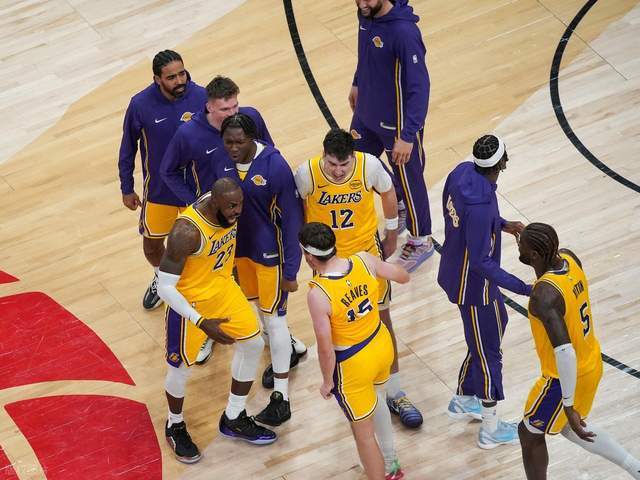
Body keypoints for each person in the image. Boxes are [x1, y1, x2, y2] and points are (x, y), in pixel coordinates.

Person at [295, 128, 423, 429]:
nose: (338, 171)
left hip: (366, 255)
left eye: (344, 164)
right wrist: (303, 246)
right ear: (323, 155)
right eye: (332, 164)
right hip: (327, 261)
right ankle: (350, 381)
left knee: (382, 317)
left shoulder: (369, 165)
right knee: (335, 326)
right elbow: (298, 209)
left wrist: (391, 232)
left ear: (353, 156)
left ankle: (395, 392)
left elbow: (388, 192)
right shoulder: (307, 173)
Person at [157, 178, 276, 464]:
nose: (238, 211)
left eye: (240, 204)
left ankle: (234, 416)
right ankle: (174, 424)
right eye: (232, 206)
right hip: (190, 305)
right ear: (215, 203)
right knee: (180, 368)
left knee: (253, 344)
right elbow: (164, 287)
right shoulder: (186, 232)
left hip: (223, 290)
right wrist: (200, 321)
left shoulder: (227, 207)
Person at [517, 223, 640, 479]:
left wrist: (568, 403)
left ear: (535, 255)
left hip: (563, 377)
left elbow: (564, 352)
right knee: (571, 428)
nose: (518, 246)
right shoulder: (569, 258)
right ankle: (635, 468)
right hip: (591, 362)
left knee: (529, 433)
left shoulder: (544, 295)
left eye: (522, 245)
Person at [437, 134, 531, 449]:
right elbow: (480, 262)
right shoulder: (479, 206)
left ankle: (465, 397)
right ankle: (490, 429)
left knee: (497, 324)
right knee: (489, 351)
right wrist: (524, 288)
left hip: (456, 267)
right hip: (473, 286)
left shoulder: (461, 172)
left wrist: (502, 224)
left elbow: (463, 218)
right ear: (502, 162)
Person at [212, 113, 304, 426]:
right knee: (261, 314)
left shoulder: (275, 166)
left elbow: (292, 220)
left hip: (270, 256)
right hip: (239, 255)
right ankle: (291, 350)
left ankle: (281, 397)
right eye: (228, 142)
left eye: (239, 142)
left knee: (275, 320)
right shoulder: (222, 160)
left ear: (253, 138)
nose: (233, 148)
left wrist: (291, 270)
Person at [302, 222, 407, 480]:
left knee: (364, 436)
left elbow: (325, 348)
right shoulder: (363, 259)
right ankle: (391, 463)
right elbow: (402, 276)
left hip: (353, 362)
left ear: (309, 257)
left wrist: (327, 381)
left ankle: (381, 473)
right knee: (377, 400)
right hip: (381, 343)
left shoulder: (319, 294)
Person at [118, 50, 207, 310]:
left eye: (182, 74)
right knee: (152, 246)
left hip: (196, 189)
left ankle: (204, 288)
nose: (179, 81)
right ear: (157, 79)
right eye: (171, 77)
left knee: (203, 245)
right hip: (160, 190)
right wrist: (127, 187)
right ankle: (162, 279)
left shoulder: (202, 96)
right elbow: (127, 147)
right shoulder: (140, 104)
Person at [349, 0, 433, 272]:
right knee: (355, 162)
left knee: (410, 179)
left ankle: (421, 240)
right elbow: (365, 54)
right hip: (366, 114)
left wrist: (408, 135)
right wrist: (357, 82)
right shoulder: (366, 14)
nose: (362, 3)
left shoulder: (404, 33)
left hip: (397, 125)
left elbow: (420, 87)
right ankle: (398, 200)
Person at [160, 75, 273, 206]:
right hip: (217, 209)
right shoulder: (188, 134)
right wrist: (196, 204)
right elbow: (168, 172)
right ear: (209, 107)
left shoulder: (252, 117)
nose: (232, 113)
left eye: (235, 106)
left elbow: (269, 154)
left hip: (255, 202)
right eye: (225, 109)